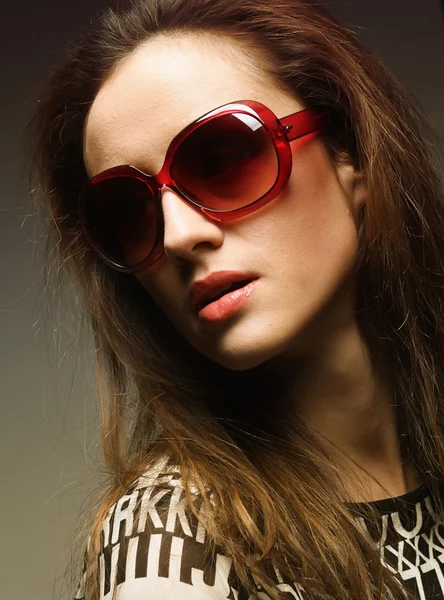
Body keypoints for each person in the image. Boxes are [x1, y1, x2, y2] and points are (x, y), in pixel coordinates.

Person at [24, 0, 444, 598]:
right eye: (129, 212)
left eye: (222, 159)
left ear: (351, 157)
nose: (178, 237)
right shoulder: (173, 539)